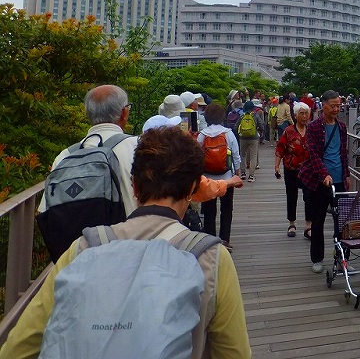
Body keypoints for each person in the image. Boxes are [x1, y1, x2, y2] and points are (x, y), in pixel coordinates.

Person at [1, 126, 251, 359]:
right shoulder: (210, 258)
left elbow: (17, 348)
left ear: (134, 186)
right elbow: (235, 353)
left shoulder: (82, 249)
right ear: (193, 189)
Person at [38, 84, 138, 216]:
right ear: (124, 112)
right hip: (129, 228)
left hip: (76, 230)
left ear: (88, 114)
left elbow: (45, 210)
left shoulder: (65, 156)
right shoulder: (139, 147)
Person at [298, 90, 349, 273]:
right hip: (320, 181)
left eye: (338, 106)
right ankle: (317, 258)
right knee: (318, 221)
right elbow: (313, 155)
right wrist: (324, 174)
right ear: (323, 105)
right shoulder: (314, 127)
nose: (336, 109)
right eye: (333, 105)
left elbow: (344, 153)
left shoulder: (341, 127)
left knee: (342, 222)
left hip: (339, 179)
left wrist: (347, 174)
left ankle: (342, 258)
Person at [142, 114, 243, 203]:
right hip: (171, 214)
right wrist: (230, 181)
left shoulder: (142, 162)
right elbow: (202, 187)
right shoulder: (175, 163)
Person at [197, 103, 241, 250]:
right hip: (226, 177)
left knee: (209, 210)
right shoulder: (228, 133)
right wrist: (237, 173)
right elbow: (235, 154)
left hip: (207, 178)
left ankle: (211, 241)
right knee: (226, 209)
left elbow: (196, 155)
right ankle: (225, 240)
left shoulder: (202, 135)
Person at [275, 102, 312, 239]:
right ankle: (292, 223)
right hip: (291, 168)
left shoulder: (311, 130)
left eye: (306, 113)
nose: (304, 116)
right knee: (291, 195)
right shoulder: (288, 131)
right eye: (301, 113)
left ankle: (308, 225)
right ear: (295, 115)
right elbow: (280, 148)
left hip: (308, 170)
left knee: (309, 196)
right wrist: (277, 166)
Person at [238, 100, 264, 182]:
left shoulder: (242, 116)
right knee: (253, 156)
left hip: (243, 138)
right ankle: (251, 176)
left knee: (242, 155)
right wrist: (259, 131)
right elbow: (261, 125)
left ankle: (243, 173)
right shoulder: (255, 115)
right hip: (253, 138)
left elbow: (236, 126)